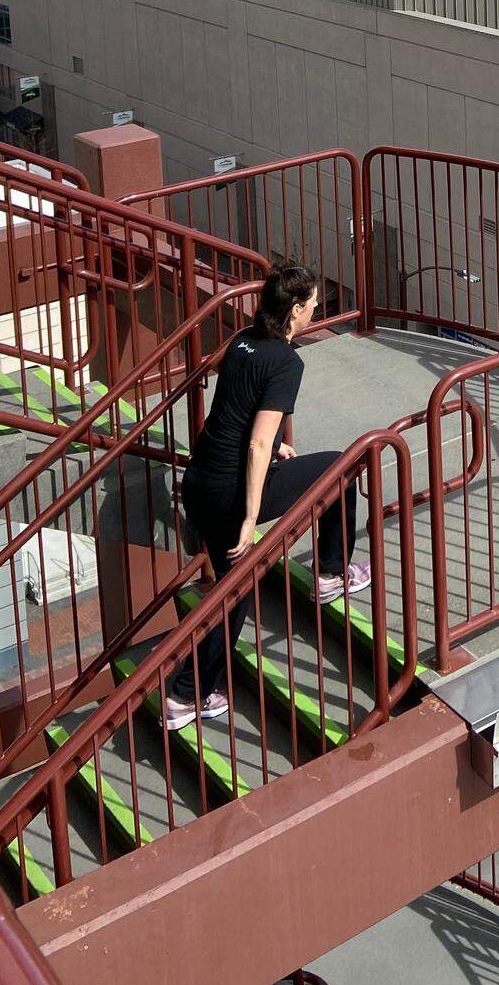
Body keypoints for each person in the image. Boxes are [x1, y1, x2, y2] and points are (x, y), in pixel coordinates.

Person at [165, 261, 370, 731]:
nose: (318, 309)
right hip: (230, 493)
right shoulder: (285, 361)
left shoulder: (240, 340)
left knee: (231, 594)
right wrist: (251, 518)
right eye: (315, 304)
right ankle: (332, 572)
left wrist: (276, 443)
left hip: (199, 483)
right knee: (343, 464)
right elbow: (255, 443)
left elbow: (236, 408)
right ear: (296, 310)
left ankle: (193, 693)